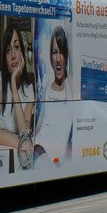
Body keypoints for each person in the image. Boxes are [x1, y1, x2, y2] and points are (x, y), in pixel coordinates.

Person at [0, 22, 34, 170]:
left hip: (22, 163)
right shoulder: (0, 79)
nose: (13, 55)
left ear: (22, 50)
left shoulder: (29, 91)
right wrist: (17, 141)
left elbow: (25, 131)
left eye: (16, 47)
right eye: (8, 50)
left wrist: (14, 86)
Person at [36, 26, 75, 165]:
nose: (58, 59)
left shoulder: (71, 85)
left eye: (62, 52)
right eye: (54, 52)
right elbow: (40, 123)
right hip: (39, 149)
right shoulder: (46, 82)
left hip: (54, 159)